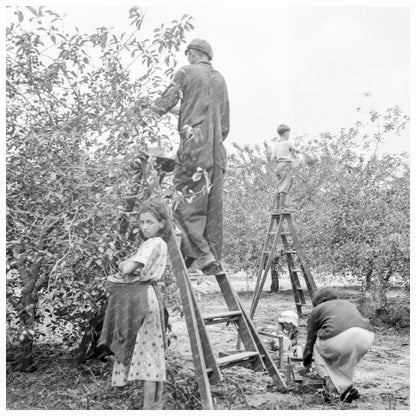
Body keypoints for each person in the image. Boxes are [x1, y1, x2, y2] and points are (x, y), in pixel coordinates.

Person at [151, 38, 230, 274]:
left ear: (194, 54)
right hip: (216, 153)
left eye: (188, 55)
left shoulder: (185, 71)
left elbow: (166, 101)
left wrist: (146, 110)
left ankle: (201, 255)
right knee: (213, 209)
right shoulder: (220, 79)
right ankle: (213, 258)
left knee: (186, 205)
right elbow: (223, 123)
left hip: (194, 148)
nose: (187, 59)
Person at [98, 200, 171, 409]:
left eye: (150, 222)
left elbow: (127, 269)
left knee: (148, 357)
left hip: (143, 299)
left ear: (162, 223)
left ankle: (149, 409)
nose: (145, 226)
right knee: (155, 355)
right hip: (152, 297)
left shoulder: (151, 243)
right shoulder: (162, 244)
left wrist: (123, 263)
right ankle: (156, 406)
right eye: (142, 222)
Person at [303, 287, 374, 403]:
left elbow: (310, 340)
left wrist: (307, 361)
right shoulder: (347, 303)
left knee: (318, 346)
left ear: (317, 301)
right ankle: (347, 389)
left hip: (340, 336)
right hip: (366, 336)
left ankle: (331, 390)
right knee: (344, 360)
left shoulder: (317, 310)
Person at [271, 124, 302, 212]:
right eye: (288, 133)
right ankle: (282, 207)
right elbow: (296, 150)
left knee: (278, 185)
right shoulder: (287, 143)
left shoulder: (277, 145)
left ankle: (276, 208)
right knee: (285, 184)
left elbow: (272, 158)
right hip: (285, 164)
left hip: (278, 166)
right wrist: (296, 152)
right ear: (286, 133)